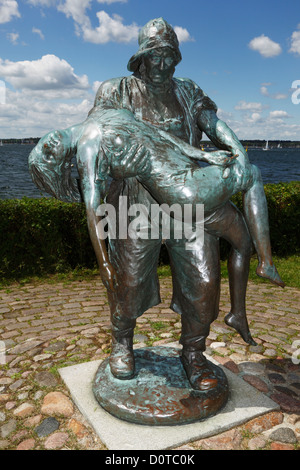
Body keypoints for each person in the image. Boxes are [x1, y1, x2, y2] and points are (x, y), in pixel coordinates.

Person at [29, 100, 284, 388]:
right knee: (129, 282)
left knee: (223, 258)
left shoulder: (105, 111)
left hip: (185, 190)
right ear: (63, 161)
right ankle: (123, 341)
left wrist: (204, 156)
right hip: (167, 196)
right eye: (48, 155)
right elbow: (92, 206)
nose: (48, 145)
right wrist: (104, 263)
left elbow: (158, 136)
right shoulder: (89, 145)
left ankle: (208, 338)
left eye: (42, 147)